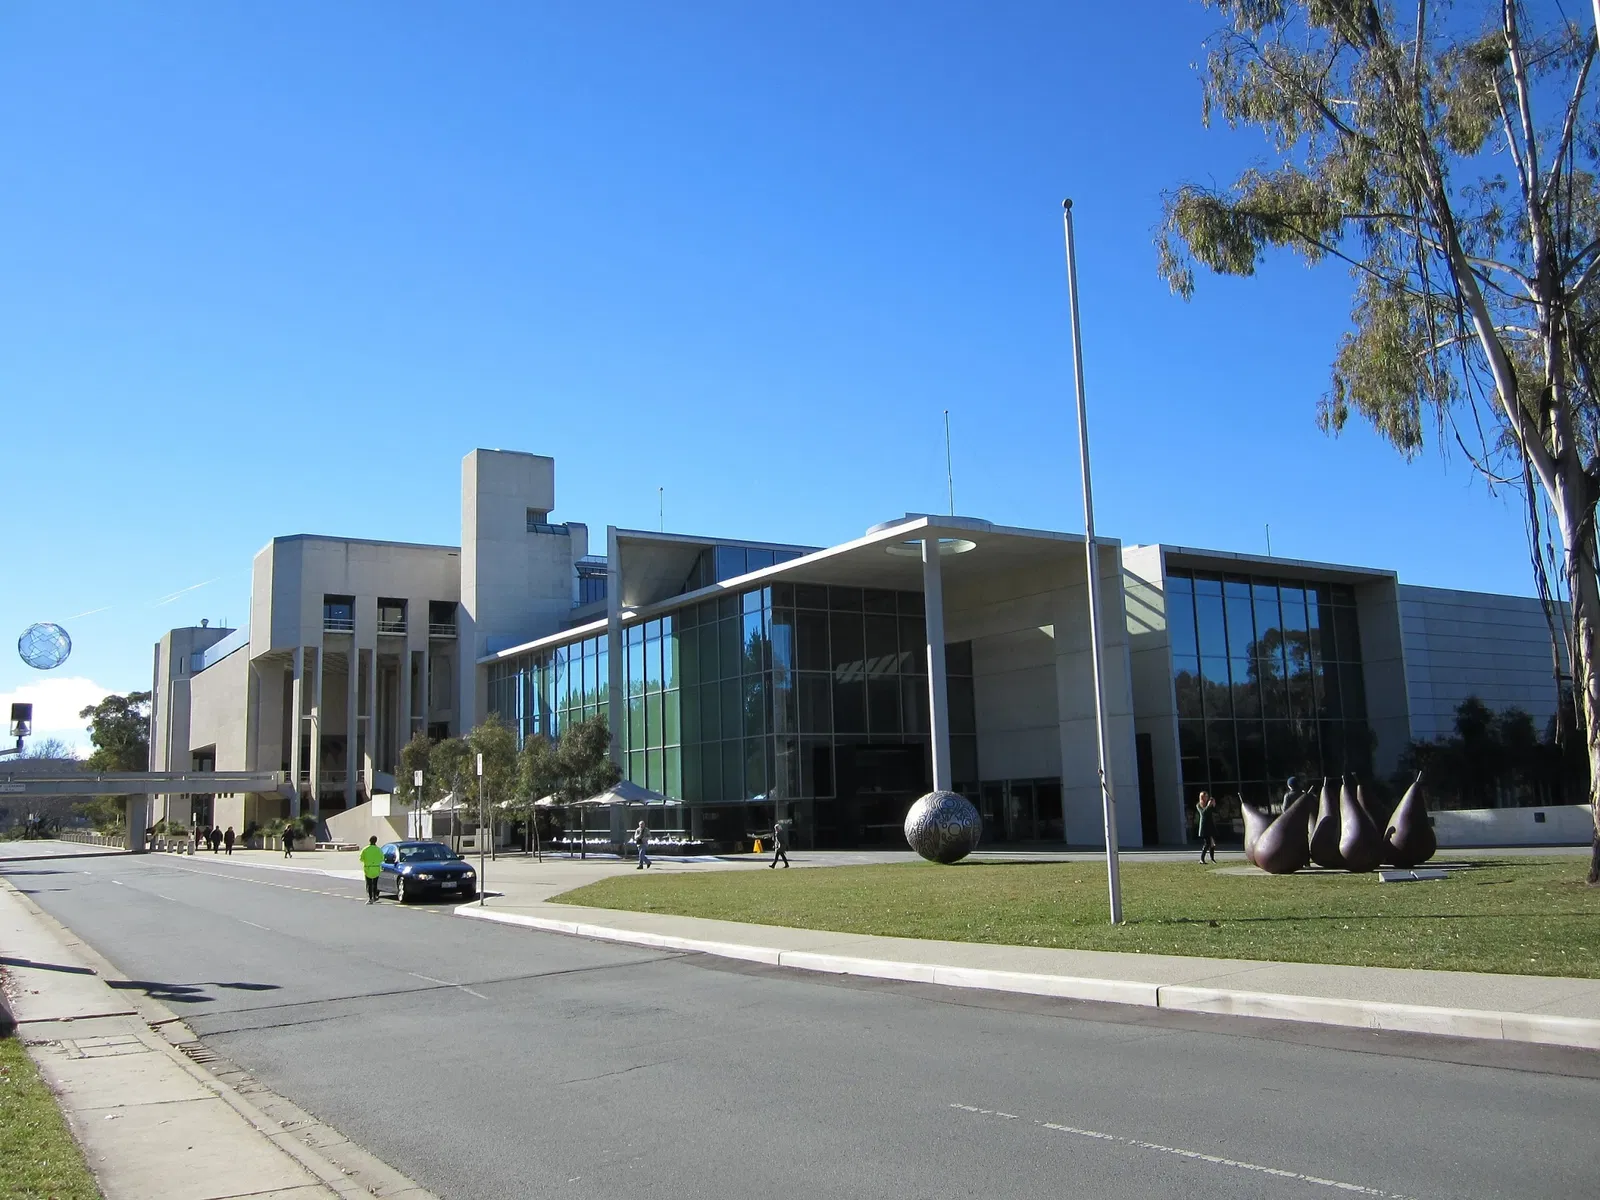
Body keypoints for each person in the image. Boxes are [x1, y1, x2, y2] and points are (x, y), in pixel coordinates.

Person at [1196, 792, 1218, 864]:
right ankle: (1201, 859)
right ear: (1202, 797)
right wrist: (1208, 806)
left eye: (1207, 796)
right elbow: (1203, 813)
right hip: (1204, 827)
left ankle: (1212, 859)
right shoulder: (1199, 805)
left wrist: (1213, 805)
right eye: (1205, 796)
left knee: (1212, 844)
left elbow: (1215, 812)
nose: (1207, 798)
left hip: (1210, 826)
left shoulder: (1209, 805)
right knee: (1207, 843)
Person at [360, 836, 384, 904]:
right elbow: (382, 858)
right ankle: (375, 896)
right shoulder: (379, 850)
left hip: (368, 868)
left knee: (369, 884)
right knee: (375, 883)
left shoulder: (365, 849)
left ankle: (370, 898)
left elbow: (361, 859)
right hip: (376, 868)